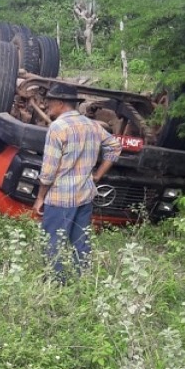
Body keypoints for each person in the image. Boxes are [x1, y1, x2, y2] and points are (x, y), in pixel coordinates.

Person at [32, 83, 122, 278]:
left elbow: (48, 172)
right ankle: (82, 280)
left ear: (61, 103)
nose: (47, 105)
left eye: (50, 102)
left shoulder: (57, 128)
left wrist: (40, 198)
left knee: (53, 242)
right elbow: (115, 146)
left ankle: (55, 284)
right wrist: (97, 175)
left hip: (60, 198)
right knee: (80, 241)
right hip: (85, 194)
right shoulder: (92, 125)